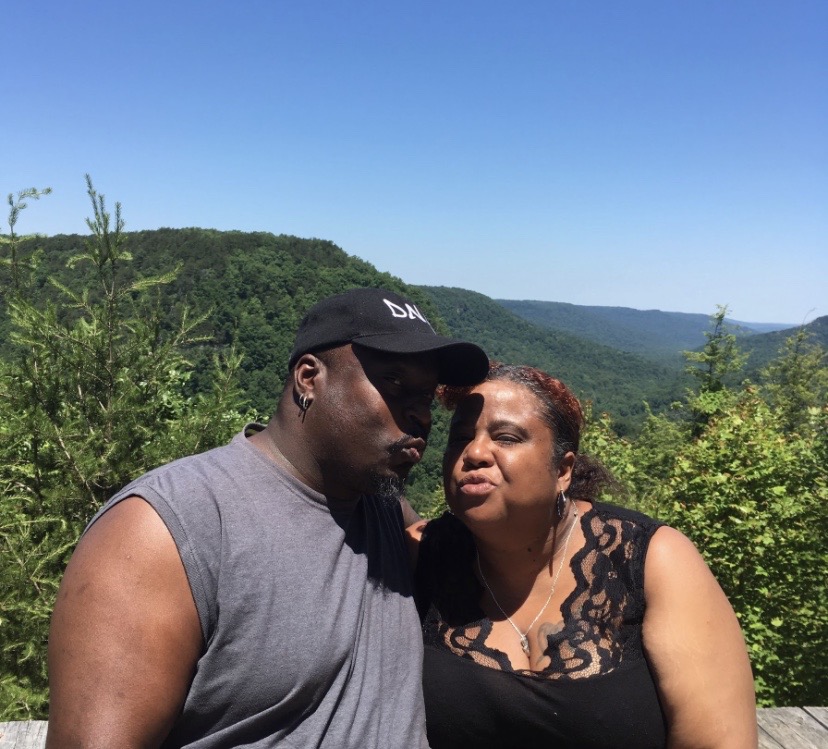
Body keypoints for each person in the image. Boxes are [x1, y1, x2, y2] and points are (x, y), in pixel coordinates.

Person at [46, 287, 489, 749]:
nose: (420, 416)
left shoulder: (382, 509)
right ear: (308, 378)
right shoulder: (167, 528)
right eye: (395, 383)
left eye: (426, 396)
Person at [411, 362, 757, 749]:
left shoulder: (651, 560)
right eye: (459, 438)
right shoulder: (418, 557)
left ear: (563, 470)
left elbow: (718, 740)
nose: (474, 452)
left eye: (506, 438)